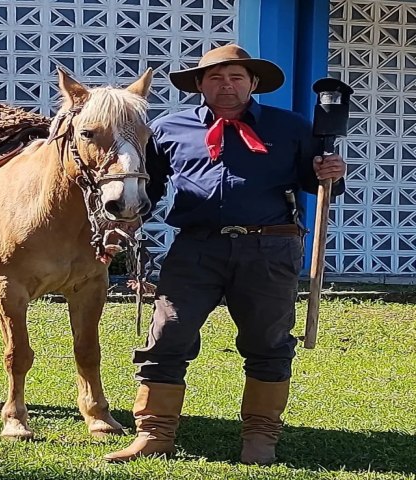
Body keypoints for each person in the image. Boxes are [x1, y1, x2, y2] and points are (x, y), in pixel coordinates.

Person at [104, 44, 346, 464]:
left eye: (236, 77)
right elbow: (150, 192)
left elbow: (318, 184)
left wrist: (331, 174)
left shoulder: (290, 128)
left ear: (253, 83)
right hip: (197, 247)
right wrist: (122, 229)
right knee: (167, 336)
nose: (226, 85)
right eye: (215, 77)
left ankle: (260, 439)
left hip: (269, 247)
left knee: (267, 342)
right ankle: (154, 434)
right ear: (199, 84)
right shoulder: (168, 129)